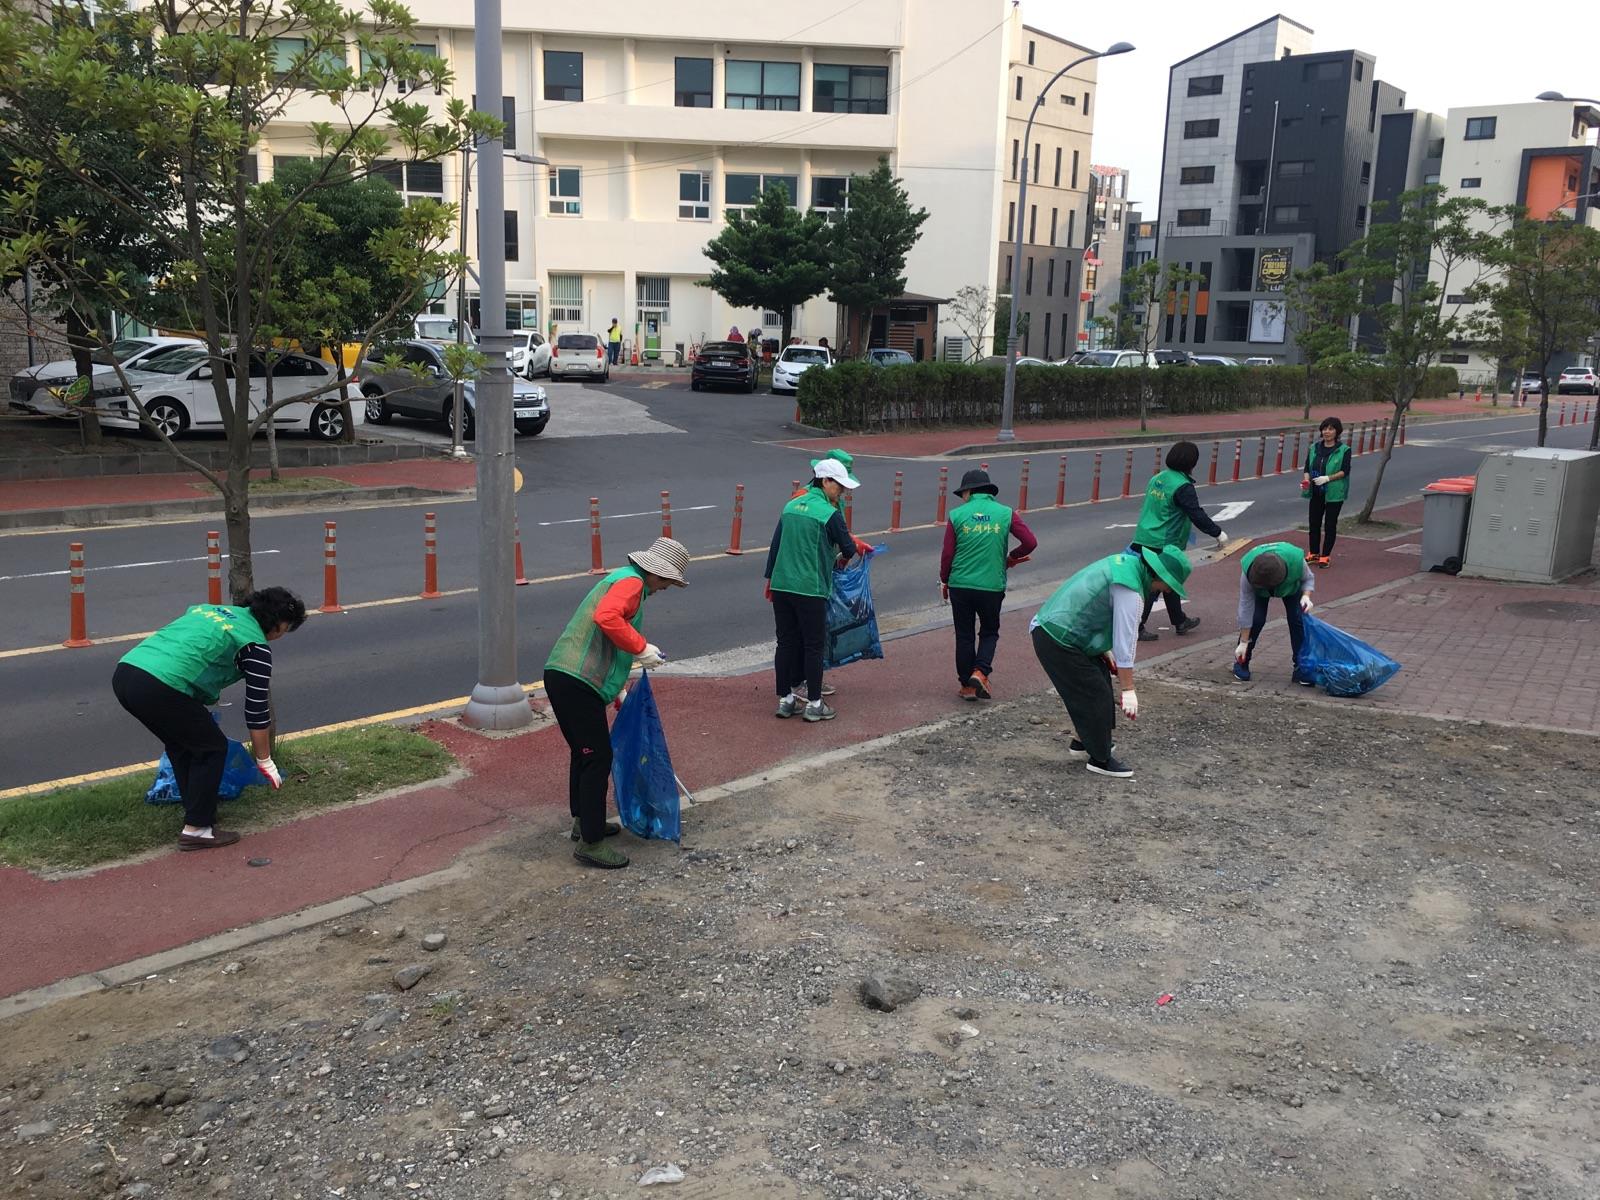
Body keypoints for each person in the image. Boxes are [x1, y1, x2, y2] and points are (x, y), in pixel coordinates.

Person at [111, 588, 307, 850]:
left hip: (127, 672)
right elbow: (257, 709)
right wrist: (264, 759)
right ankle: (198, 830)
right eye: (285, 629)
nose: (281, 636)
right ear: (280, 624)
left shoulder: (210, 610)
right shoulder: (255, 646)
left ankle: (197, 812)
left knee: (182, 745)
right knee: (212, 747)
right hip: (161, 685)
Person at [545, 537, 689, 869]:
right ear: (655, 573)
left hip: (571, 678)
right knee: (597, 757)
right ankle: (591, 844)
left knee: (584, 754)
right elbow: (607, 619)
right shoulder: (632, 583)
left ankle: (584, 823)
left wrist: (619, 690)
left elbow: (611, 644)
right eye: (667, 581)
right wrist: (642, 648)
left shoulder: (624, 579)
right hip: (575, 680)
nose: (665, 588)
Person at [1030, 546, 1190, 779]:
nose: (1168, 590)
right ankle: (1100, 759)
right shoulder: (1131, 589)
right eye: (1170, 585)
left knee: (1099, 682)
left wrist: (1104, 652)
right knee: (1095, 693)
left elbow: (1098, 610)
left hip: (1056, 628)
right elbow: (1125, 641)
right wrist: (1128, 688)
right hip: (1059, 636)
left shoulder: (1126, 565)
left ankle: (1083, 741)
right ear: (1160, 577)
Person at [766, 458, 860, 722]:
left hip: (782, 585)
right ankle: (815, 704)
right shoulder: (828, 513)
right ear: (825, 481)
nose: (842, 492)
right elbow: (849, 549)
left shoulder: (790, 506)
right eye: (839, 486)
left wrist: (770, 579)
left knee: (785, 642)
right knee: (813, 646)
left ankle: (785, 700)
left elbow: (775, 545)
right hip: (811, 587)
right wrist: (836, 557)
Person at [939, 468, 1038, 700]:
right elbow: (1030, 542)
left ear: (970, 492)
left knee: (964, 635)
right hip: (992, 586)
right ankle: (981, 672)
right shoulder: (1005, 513)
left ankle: (967, 686)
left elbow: (947, 554)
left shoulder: (957, 515)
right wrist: (1012, 557)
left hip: (960, 585)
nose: (962, 498)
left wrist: (945, 578)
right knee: (989, 632)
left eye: (963, 493)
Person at [1131, 441, 1229, 642]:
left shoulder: (1158, 478)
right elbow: (1196, 514)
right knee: (1155, 584)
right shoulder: (1182, 486)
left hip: (1144, 535)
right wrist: (1218, 533)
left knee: (1168, 579)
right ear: (1191, 463)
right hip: (1163, 542)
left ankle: (1179, 621)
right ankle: (1137, 626)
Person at [1233, 542, 1317, 684]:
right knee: (1256, 619)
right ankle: (1242, 661)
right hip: (1258, 587)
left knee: (1297, 618)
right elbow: (1245, 608)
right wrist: (1243, 642)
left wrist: (1306, 596)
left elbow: (1308, 578)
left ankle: (1301, 667)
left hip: (1291, 586)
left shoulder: (1295, 560)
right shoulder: (1249, 572)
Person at [1302, 417, 1351, 567]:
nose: (1327, 432)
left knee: (1330, 524)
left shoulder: (1344, 450)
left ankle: (1325, 556)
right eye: (1324, 429)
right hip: (1316, 491)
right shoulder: (1314, 448)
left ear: (1337, 432)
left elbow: (1345, 471)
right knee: (1314, 523)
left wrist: (1327, 478)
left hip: (1334, 493)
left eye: (1330, 429)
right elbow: (1307, 468)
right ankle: (1314, 553)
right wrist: (1306, 480)